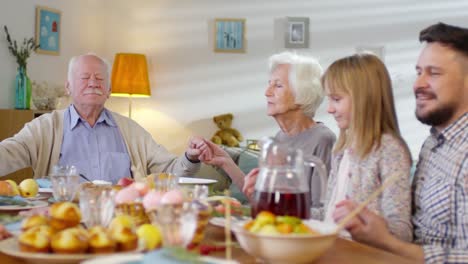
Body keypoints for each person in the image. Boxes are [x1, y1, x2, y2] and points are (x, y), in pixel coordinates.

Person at [332, 23, 468, 263]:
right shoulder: (433, 145)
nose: (418, 84)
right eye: (419, 72)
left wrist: (386, 241)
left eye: (433, 73)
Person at [0, 53, 206, 183]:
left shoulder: (130, 131)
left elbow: (171, 170)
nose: (93, 83)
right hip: (60, 218)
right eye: (84, 77)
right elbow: (10, 152)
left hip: (120, 219)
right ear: (68, 86)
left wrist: (190, 157)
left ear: (109, 89)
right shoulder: (45, 127)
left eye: (100, 79)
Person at [200, 51, 336, 206]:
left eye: (277, 85)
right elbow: (261, 200)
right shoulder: (280, 138)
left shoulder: (322, 139)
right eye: (269, 84)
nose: (267, 92)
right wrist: (225, 162)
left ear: (303, 93)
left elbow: (321, 210)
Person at [318, 53, 413, 242]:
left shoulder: (389, 150)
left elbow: (403, 232)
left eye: (336, 99)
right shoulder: (342, 150)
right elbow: (328, 215)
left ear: (364, 99)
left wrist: (365, 222)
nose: (329, 109)